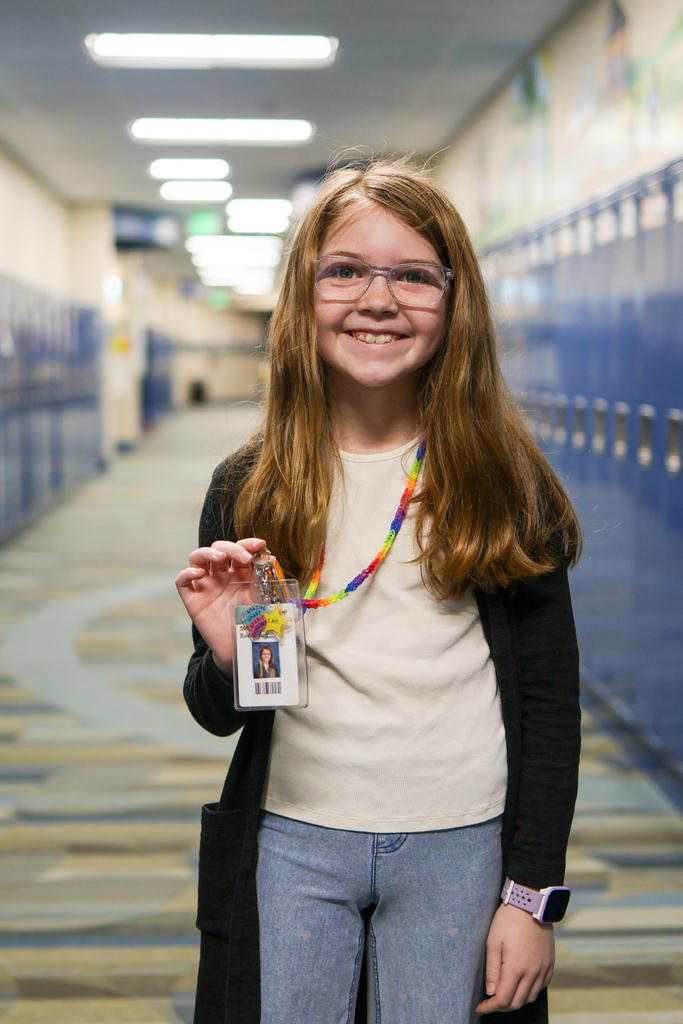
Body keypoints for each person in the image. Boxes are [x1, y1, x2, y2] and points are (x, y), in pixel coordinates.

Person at [176, 158, 582, 1024]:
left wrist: (531, 894)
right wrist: (231, 655)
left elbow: (549, 704)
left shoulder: (500, 480)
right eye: (346, 271)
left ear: (454, 299)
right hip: (293, 834)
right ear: (303, 295)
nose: (378, 299)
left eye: (412, 276)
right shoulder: (254, 484)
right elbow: (226, 710)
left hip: (460, 842)